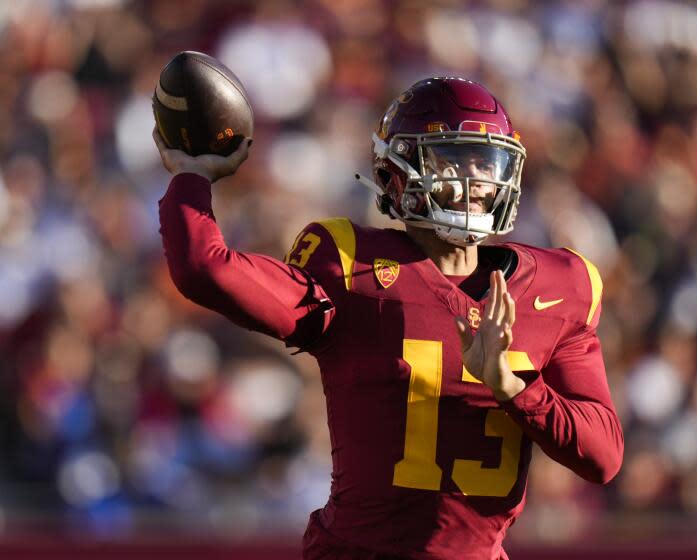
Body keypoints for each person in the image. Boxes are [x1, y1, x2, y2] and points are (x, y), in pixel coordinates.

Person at [154, 77, 623, 560]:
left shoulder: (560, 285)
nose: (475, 179)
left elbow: (603, 457)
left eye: (487, 161)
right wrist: (193, 176)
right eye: (453, 160)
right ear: (395, 171)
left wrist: (513, 386)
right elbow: (205, 269)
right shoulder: (351, 266)